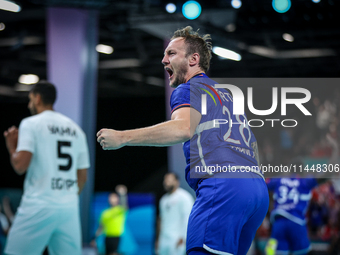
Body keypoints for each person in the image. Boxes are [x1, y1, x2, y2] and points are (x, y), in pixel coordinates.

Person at [97, 26, 269, 255]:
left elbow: (183, 128)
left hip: (223, 187)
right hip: (256, 191)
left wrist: (123, 137)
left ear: (193, 59)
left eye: (171, 53)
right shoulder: (227, 96)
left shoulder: (189, 89)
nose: (163, 59)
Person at [3, 81, 90, 255]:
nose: (29, 105)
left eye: (30, 100)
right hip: (68, 209)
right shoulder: (76, 130)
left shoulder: (31, 123)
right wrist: (65, 196)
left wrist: (12, 147)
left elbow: (20, 166)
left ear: (37, 98)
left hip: (38, 206)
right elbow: (82, 176)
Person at [265, 177, 319, 255]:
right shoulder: (304, 181)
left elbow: (265, 184)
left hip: (279, 222)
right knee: (301, 252)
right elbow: (321, 178)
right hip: (297, 221)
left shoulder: (278, 180)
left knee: (274, 251)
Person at [156, 172, 194, 255]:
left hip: (177, 239)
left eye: (169, 180)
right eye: (165, 180)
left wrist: (183, 237)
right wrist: (158, 239)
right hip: (164, 240)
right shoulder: (163, 200)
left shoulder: (184, 197)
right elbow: (161, 220)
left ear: (177, 182)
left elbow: (188, 218)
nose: (166, 182)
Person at [92, 185, 128, 255]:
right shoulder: (104, 213)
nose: (112, 199)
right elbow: (101, 227)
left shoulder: (120, 210)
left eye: (114, 197)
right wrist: (94, 238)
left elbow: (124, 205)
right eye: (111, 197)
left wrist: (122, 194)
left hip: (116, 236)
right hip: (107, 237)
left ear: (117, 199)